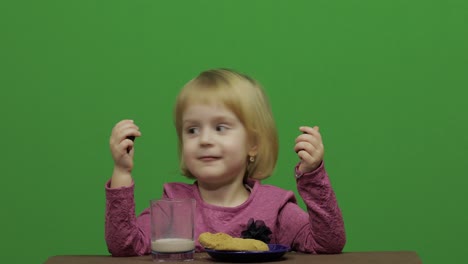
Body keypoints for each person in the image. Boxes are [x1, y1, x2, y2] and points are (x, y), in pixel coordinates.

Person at [105, 69, 346, 256]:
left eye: (220, 127)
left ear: (252, 143)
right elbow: (125, 246)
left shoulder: (275, 207)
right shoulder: (173, 206)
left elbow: (327, 243)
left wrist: (313, 175)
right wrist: (121, 172)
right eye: (192, 130)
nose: (205, 140)